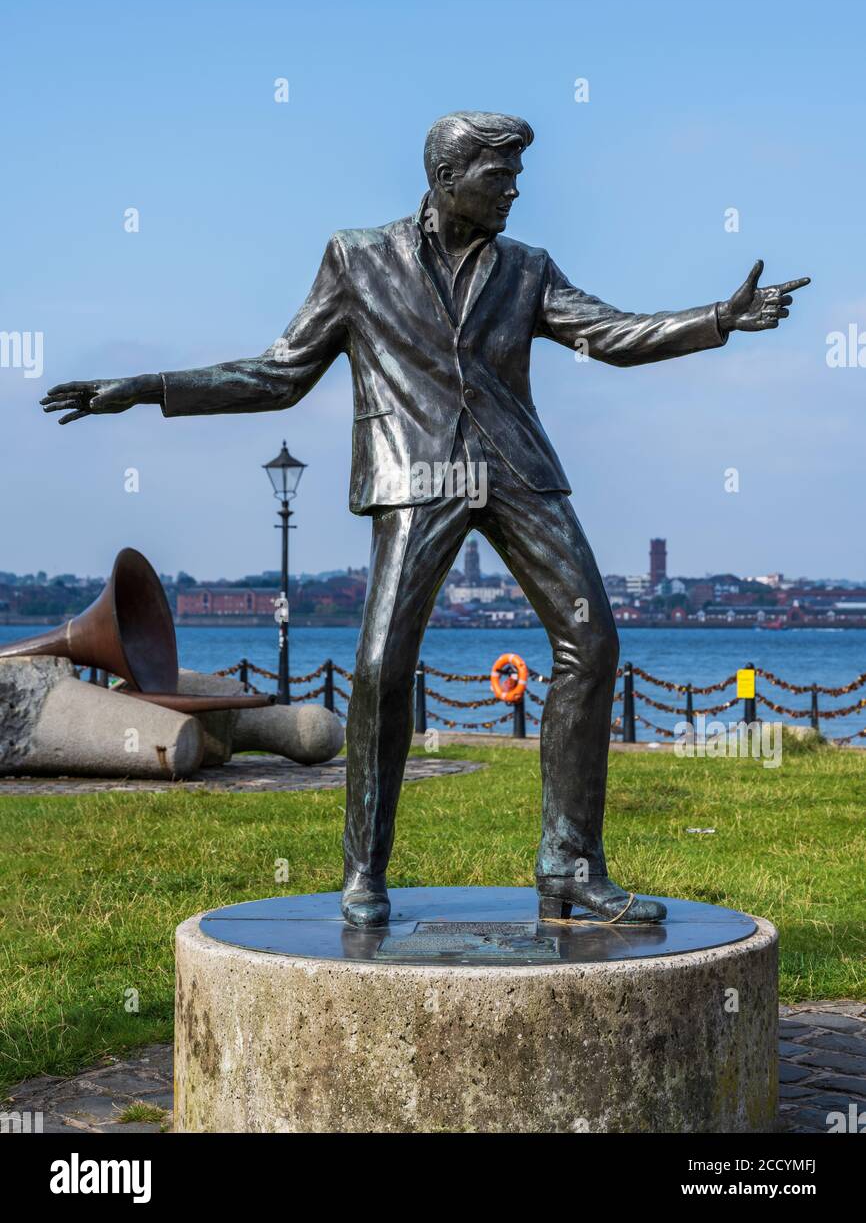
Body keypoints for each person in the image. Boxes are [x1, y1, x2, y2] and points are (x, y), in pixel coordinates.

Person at [42, 111, 810, 927]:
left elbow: (612, 335)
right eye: (499, 174)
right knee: (380, 665)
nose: (516, 188)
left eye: (519, 174)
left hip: (518, 474)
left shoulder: (527, 268)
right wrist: (151, 387)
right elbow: (280, 375)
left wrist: (717, 320)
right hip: (415, 476)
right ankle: (364, 873)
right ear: (447, 178)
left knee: (594, 641)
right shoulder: (357, 259)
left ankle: (570, 864)